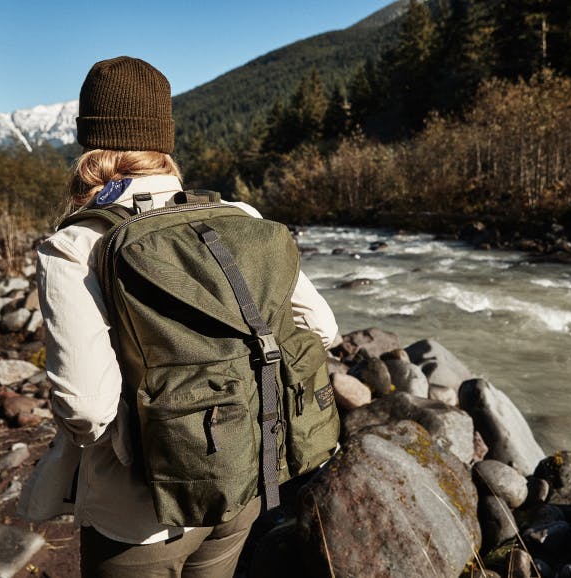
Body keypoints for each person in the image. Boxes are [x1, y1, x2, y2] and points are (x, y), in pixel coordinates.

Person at [18, 56, 339, 578]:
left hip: (136, 517)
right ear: (163, 139)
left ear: (88, 140)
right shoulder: (242, 218)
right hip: (241, 482)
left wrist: (155, 438)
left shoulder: (76, 244)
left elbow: (85, 408)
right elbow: (322, 329)